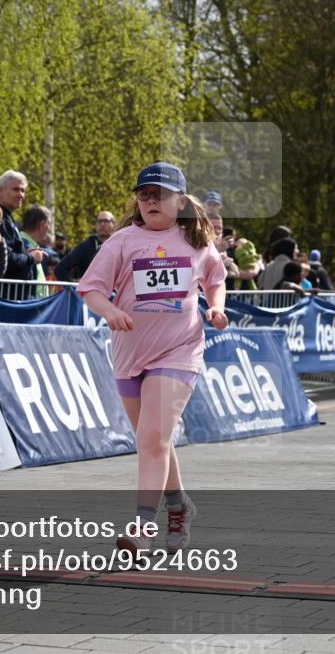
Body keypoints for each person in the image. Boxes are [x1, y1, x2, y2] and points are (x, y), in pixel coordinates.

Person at [77, 162, 227, 556]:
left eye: (159, 194)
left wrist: (215, 308)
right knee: (154, 441)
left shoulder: (195, 241)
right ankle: (179, 506)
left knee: (151, 437)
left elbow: (216, 279)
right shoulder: (122, 241)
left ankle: (142, 528)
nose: (150, 201)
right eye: (144, 195)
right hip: (129, 353)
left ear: (180, 201)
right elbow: (90, 289)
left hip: (179, 350)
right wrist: (109, 312)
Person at [0, 170, 45, 280]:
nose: (20, 195)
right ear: (0, 190)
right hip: (1, 294)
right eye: (16, 189)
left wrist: (25, 253)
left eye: (23, 190)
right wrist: (31, 258)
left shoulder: (5, 216)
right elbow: (5, 257)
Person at [56, 211, 116, 282]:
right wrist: (74, 284)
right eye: (99, 221)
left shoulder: (120, 244)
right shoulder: (85, 246)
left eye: (106, 221)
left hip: (115, 291)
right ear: (96, 225)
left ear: (114, 224)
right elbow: (60, 268)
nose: (102, 224)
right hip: (91, 291)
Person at [19, 204, 52, 296]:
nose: (49, 229)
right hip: (29, 306)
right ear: (42, 225)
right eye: (49, 224)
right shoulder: (24, 245)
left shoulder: (26, 244)